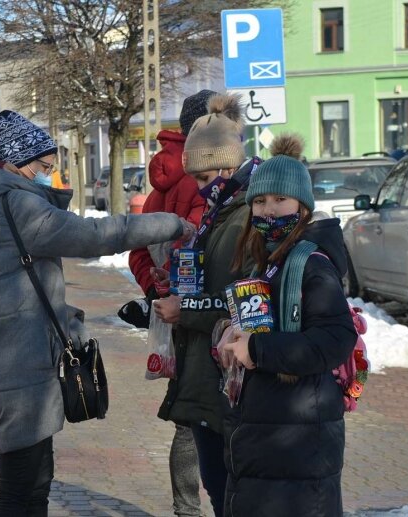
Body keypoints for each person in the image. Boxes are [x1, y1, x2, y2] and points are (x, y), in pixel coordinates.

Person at [0, 98, 195, 515]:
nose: (47, 176)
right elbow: (94, 235)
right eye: (42, 167)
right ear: (17, 162)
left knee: (36, 481)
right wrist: (169, 224)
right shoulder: (17, 205)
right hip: (18, 358)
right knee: (18, 488)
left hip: (6, 352)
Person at [218, 134, 357, 516]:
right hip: (269, 434)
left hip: (298, 440)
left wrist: (258, 350)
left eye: (280, 199)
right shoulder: (266, 262)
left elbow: (335, 338)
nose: (269, 210)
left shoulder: (311, 264)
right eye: (260, 201)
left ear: (303, 206)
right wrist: (230, 336)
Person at [152, 93, 261, 516]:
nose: (199, 189)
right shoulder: (220, 212)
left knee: (229, 493)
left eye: (203, 179)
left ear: (228, 167)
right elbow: (214, 280)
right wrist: (178, 280)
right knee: (218, 489)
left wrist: (187, 310)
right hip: (206, 374)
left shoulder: (244, 216)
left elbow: (246, 301)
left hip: (227, 380)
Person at [125, 89, 213, 517]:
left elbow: (138, 251)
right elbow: (204, 250)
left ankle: (186, 510)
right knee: (210, 415)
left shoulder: (159, 182)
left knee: (186, 415)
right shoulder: (207, 179)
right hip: (208, 314)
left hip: (174, 314)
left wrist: (157, 289)